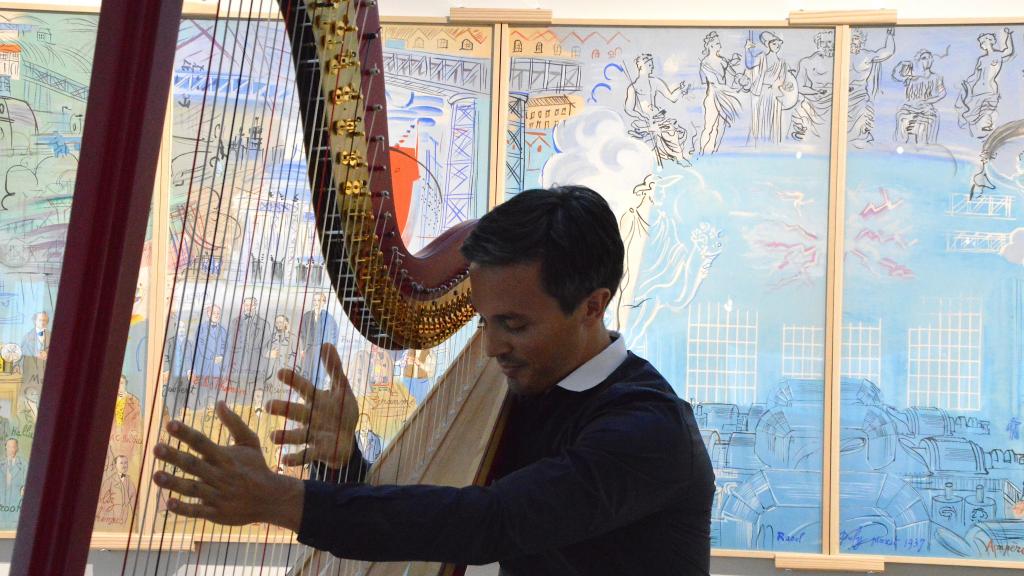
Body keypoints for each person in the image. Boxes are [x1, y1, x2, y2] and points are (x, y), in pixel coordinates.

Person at [152, 186, 716, 575]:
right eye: (484, 321)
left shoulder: (647, 430)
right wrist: (344, 460)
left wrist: (280, 501)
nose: (492, 347)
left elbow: (488, 522)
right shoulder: (524, 389)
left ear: (593, 306)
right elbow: (427, 513)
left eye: (514, 325)